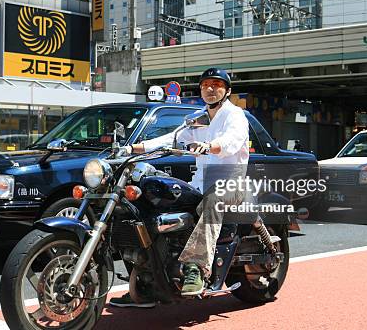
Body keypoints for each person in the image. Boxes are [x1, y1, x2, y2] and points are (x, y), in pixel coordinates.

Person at [110, 68, 262, 307]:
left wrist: (210, 145)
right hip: (200, 183)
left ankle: (197, 269)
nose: (210, 89)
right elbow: (171, 139)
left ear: (227, 90)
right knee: (148, 202)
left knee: (212, 202)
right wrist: (132, 149)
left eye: (216, 84)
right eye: (205, 85)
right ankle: (146, 282)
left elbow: (232, 141)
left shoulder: (235, 115)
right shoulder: (198, 118)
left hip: (230, 182)